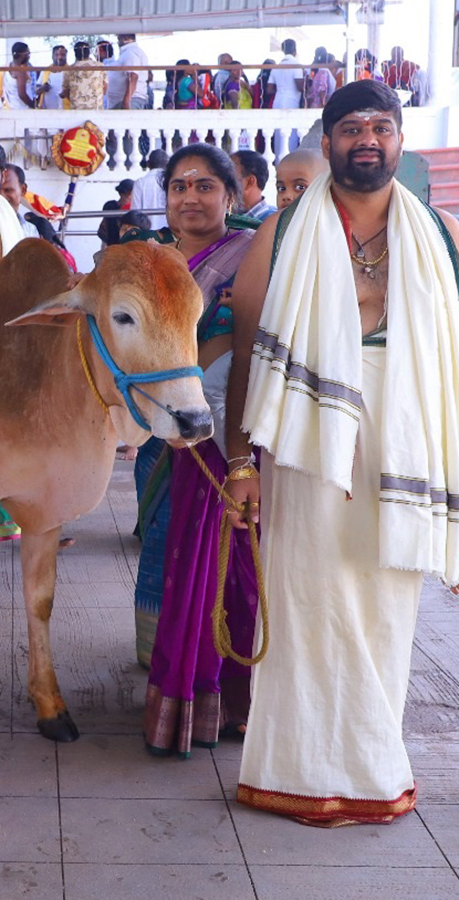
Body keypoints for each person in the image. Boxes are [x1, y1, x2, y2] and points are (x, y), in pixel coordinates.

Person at [224, 80, 459, 825]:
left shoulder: (441, 233)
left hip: (405, 430)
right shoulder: (285, 233)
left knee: (387, 603)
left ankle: (371, 769)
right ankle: (294, 774)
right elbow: (246, 354)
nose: (368, 137)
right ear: (327, 143)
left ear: (399, 140)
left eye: (382, 126)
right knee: (306, 598)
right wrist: (238, 462)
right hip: (304, 434)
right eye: (351, 126)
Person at [126, 146, 260, 753]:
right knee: (173, 554)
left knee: (230, 568)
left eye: (205, 186)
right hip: (163, 433)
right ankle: (173, 680)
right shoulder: (148, 260)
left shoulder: (254, 254)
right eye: (178, 186)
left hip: (230, 431)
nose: (189, 197)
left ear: (232, 196)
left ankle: (231, 696)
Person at [232, 150, 277, 220]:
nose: (223, 185)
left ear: (249, 182)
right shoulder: (229, 216)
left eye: (229, 178)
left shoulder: (272, 222)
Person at [108, 34, 149, 110]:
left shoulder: (131, 52)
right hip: (126, 100)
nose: (117, 41)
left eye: (119, 38)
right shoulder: (129, 52)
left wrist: (126, 102)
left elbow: (133, 76)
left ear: (125, 38)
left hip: (131, 100)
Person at [62, 41, 106, 111]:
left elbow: (65, 91)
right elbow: (105, 89)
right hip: (96, 108)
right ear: (88, 52)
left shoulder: (69, 70)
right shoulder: (100, 66)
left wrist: (76, 100)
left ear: (75, 53)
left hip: (77, 109)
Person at [132, 149, 169, 230]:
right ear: (167, 164)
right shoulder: (172, 182)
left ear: (148, 164)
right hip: (169, 233)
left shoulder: (140, 183)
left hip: (146, 233)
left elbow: (135, 212)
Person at [271, 39, 304, 109]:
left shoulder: (276, 67)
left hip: (277, 102)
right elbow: (300, 87)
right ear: (295, 50)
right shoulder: (296, 65)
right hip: (291, 103)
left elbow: (269, 89)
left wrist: (282, 90)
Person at [35, 45, 67, 111]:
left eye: (63, 55)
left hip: (66, 112)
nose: (60, 57)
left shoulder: (71, 72)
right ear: (52, 56)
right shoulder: (45, 71)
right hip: (46, 113)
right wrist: (42, 88)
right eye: (57, 55)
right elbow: (36, 90)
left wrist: (67, 93)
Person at [3, 42, 34, 109]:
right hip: (22, 110)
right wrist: (33, 105)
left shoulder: (9, 66)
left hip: (12, 108)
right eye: (28, 54)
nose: (29, 56)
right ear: (21, 55)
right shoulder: (20, 71)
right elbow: (22, 95)